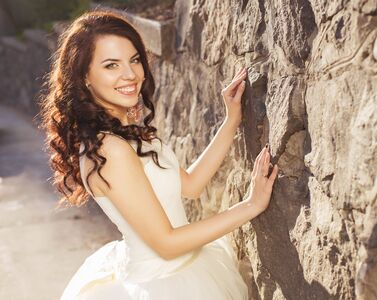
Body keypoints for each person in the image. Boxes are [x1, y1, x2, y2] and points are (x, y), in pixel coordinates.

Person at [39, 10, 278, 300]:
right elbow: (167, 243)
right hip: (164, 285)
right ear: (85, 77)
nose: (130, 74)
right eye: (111, 65)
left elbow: (190, 185)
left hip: (184, 270)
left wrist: (231, 121)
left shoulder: (122, 134)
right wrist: (250, 206)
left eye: (134, 59)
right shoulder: (109, 150)